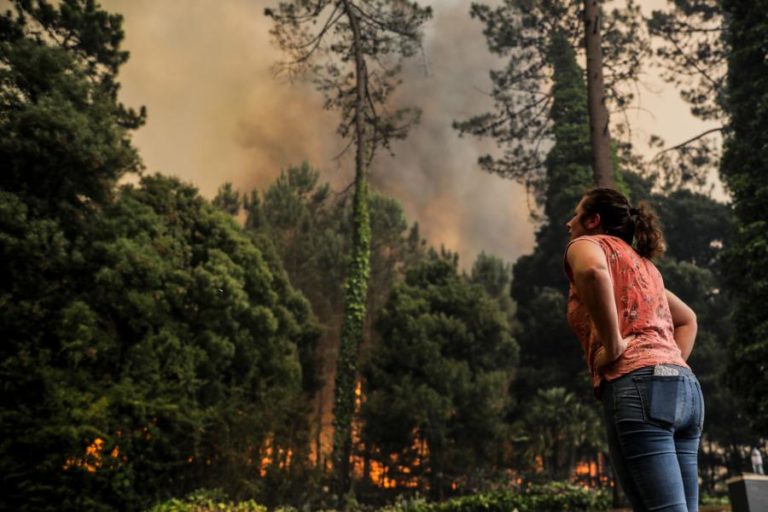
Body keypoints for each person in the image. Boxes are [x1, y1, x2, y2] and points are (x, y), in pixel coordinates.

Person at [563, 187, 704, 512]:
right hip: (685, 389)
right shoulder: (644, 266)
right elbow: (688, 319)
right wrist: (665, 364)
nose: (569, 223)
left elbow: (592, 271)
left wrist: (613, 345)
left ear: (593, 221)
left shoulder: (587, 244)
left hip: (637, 386)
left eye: (576, 214)